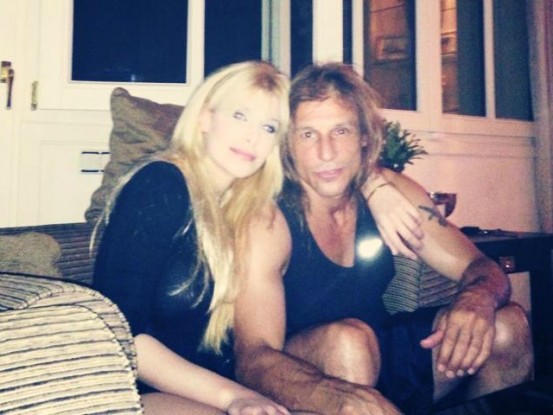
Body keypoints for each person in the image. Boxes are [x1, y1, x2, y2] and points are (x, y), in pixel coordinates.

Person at [233, 62, 533, 415]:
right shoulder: (268, 220)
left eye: (341, 130)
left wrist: (476, 299)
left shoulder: (393, 192)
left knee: (508, 327)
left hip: (383, 350)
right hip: (303, 374)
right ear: (288, 145)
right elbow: (253, 357)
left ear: (364, 136)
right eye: (308, 134)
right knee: (348, 342)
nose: (326, 152)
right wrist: (345, 398)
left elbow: (480, 267)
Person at [93, 61, 293, 415]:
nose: (253, 137)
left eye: (268, 127)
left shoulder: (253, 209)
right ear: (204, 119)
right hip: (133, 388)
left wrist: (376, 185)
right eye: (240, 116)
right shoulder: (160, 185)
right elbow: (120, 332)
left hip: (217, 387)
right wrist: (233, 397)